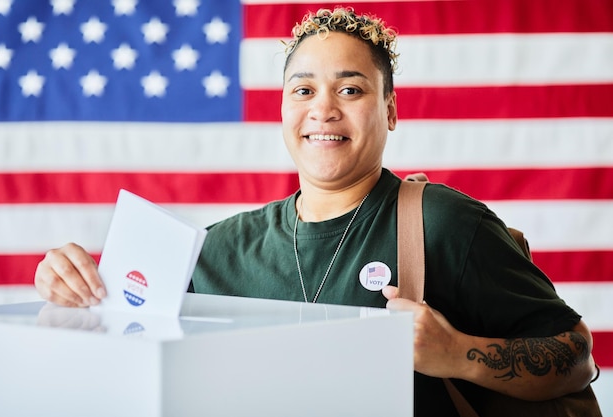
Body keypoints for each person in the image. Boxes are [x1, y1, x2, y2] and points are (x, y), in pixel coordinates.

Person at [35, 7, 598, 416]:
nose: (322, 109)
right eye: (302, 91)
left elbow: (573, 354)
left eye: (350, 90)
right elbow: (118, 340)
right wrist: (67, 285)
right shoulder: (220, 250)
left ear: (391, 109)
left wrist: (457, 355)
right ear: (283, 108)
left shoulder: (446, 225)